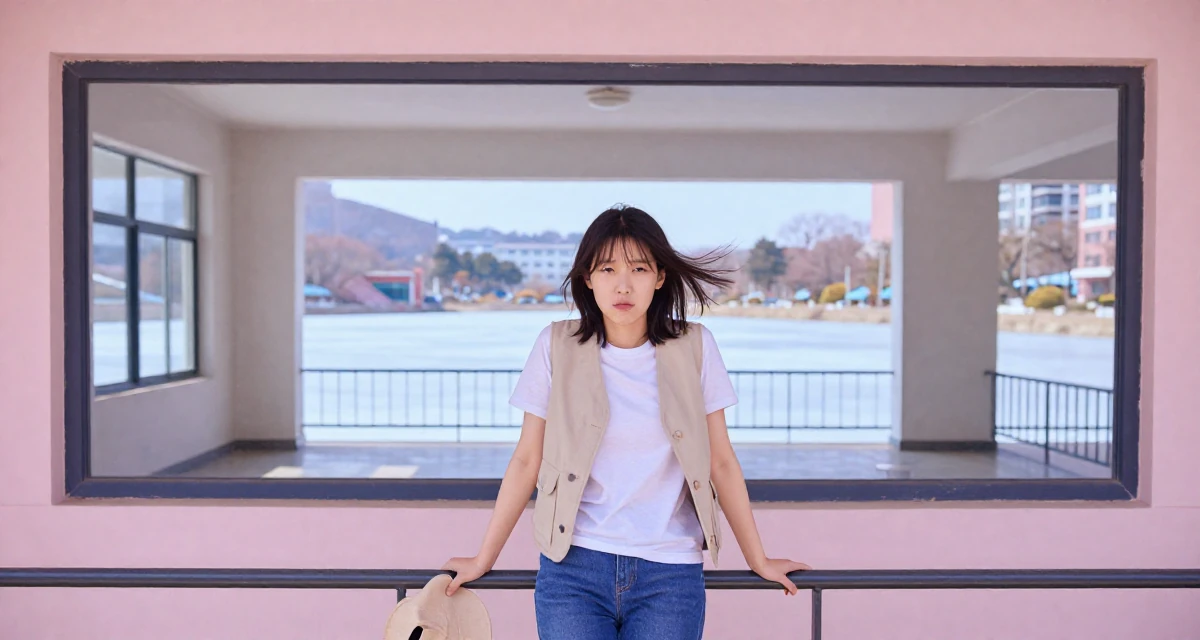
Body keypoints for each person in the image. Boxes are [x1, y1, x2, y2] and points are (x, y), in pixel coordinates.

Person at [441, 204, 811, 639]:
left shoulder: (696, 347)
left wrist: (757, 559)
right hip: (572, 569)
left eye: (638, 268)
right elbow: (527, 460)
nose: (622, 284)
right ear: (587, 278)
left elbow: (721, 462)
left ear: (659, 277)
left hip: (670, 574)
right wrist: (485, 558)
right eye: (607, 268)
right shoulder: (555, 345)